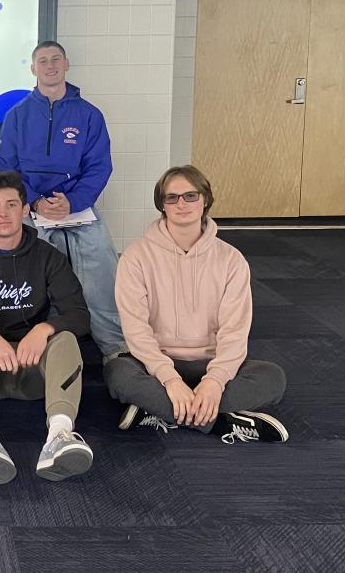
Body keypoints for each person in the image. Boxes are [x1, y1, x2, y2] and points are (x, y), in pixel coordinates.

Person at [106, 165, 288, 443]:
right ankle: (220, 423)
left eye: (190, 196)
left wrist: (214, 382)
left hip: (211, 362)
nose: (181, 204)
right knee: (117, 374)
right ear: (162, 205)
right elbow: (136, 331)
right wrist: (170, 380)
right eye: (172, 198)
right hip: (157, 365)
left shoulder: (231, 260)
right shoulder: (135, 258)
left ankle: (159, 410)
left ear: (205, 200)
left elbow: (235, 332)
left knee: (272, 377)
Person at [0, 172, 93, 484]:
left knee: (65, 338)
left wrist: (44, 329)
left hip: (34, 371)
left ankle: (60, 435)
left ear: (25, 210)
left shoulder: (48, 257)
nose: (3, 213)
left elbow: (79, 315)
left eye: (11, 204)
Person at [0, 40, 126, 359]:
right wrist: (34, 201)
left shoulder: (89, 115)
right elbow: (7, 167)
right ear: (33, 69)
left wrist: (73, 202)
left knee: (100, 257)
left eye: (56, 59)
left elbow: (99, 166)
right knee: (33, 262)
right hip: (32, 208)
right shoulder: (17, 116)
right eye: (43, 61)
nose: (50, 65)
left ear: (66, 65)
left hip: (77, 208)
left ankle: (115, 349)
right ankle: (39, 341)